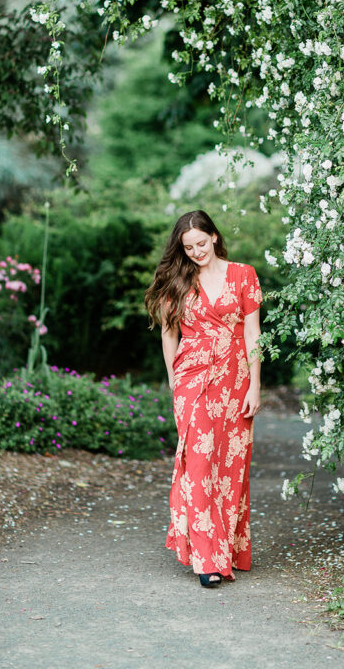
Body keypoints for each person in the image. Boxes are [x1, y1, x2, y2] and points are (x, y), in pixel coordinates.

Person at [145, 209, 263, 589]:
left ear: (214, 236)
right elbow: (168, 335)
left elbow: (253, 336)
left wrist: (255, 386)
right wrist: (173, 382)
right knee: (197, 464)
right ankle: (206, 560)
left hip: (235, 379)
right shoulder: (177, 280)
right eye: (188, 246)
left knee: (230, 466)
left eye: (201, 243)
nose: (196, 251)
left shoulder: (244, 275)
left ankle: (225, 549)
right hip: (193, 379)